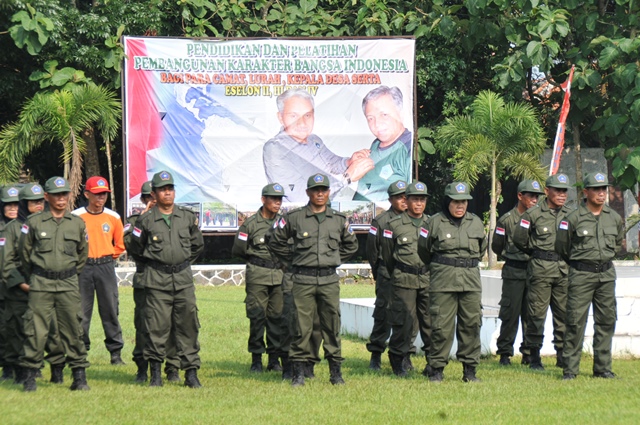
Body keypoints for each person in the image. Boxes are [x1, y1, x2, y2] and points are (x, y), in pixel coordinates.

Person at [267, 173, 358, 386]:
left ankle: (336, 373)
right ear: (308, 192)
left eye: (323, 190)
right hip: (303, 280)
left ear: (328, 192)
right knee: (300, 326)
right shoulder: (294, 218)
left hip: (328, 280)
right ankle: (298, 373)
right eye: (316, 190)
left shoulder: (338, 220)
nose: (320, 193)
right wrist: (293, 260)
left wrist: (333, 259)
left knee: (331, 325)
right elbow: (275, 240)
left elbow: (351, 245)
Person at [126, 170, 205, 388]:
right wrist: (157, 262)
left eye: (170, 188)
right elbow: (135, 247)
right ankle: (156, 375)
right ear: (154, 193)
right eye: (162, 189)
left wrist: (180, 261)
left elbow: (197, 245)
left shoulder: (187, 217)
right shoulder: (145, 220)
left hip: (182, 280)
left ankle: (190, 373)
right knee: (156, 327)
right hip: (156, 280)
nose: (167, 193)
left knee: (188, 326)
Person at [19, 176, 90, 392]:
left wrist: (67, 273)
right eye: (56, 194)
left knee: (73, 329)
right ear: (47, 197)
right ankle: (30, 375)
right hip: (41, 283)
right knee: (35, 330)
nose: (61, 198)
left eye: (65, 194)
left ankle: (79, 376)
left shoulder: (77, 223)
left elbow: (82, 255)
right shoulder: (33, 223)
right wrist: (39, 274)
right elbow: (24, 254)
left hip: (68, 283)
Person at [555, 172, 624, 379]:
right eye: (596, 189)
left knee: (606, 321)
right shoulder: (573, 218)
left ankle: (602, 368)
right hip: (581, 275)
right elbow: (562, 247)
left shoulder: (613, 217)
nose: (601, 193)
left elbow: (618, 242)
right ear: (586, 192)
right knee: (575, 322)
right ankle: (570, 369)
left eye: (604, 189)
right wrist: (580, 264)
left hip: (606, 274)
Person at [418, 182, 487, 382]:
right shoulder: (434, 222)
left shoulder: (475, 222)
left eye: (464, 201)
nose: (460, 205)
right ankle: (436, 369)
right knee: (441, 326)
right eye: (456, 202)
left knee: (472, 324)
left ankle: (470, 371)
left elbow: (481, 249)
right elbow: (424, 250)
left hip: (470, 280)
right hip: (443, 279)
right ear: (447, 202)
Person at [262, 88, 374, 202]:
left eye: (307, 115)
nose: (302, 123)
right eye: (294, 116)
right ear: (280, 117)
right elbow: (301, 198)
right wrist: (347, 177)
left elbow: (331, 162)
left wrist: (349, 162)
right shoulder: (274, 149)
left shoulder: (314, 140)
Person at [513, 173, 574, 370]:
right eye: (558, 190)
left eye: (564, 191)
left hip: (563, 270)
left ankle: (562, 355)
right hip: (540, 270)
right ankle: (533, 355)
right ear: (547, 191)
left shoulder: (572, 215)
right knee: (536, 314)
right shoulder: (532, 214)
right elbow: (520, 240)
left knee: (563, 314)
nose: (562, 194)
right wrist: (537, 253)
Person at [125, 181, 182, 383]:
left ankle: (173, 367)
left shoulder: (174, 218)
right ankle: (142, 366)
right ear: (144, 199)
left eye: (155, 197)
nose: (153, 201)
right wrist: (143, 218)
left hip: (167, 278)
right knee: (144, 324)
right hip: (144, 279)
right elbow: (130, 246)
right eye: (149, 198)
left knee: (172, 324)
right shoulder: (135, 221)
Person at [231, 183, 285, 373]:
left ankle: (274, 359)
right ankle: (256, 359)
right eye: (273, 199)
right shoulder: (250, 224)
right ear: (263, 199)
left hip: (279, 276)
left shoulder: (284, 223)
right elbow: (239, 249)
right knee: (256, 317)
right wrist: (257, 262)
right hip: (257, 276)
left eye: (279, 199)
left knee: (276, 318)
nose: (277, 203)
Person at [72, 176, 125, 365]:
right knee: (81, 312)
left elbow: (120, 244)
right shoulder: (76, 217)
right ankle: (80, 352)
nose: (100, 198)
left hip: (105, 266)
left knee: (110, 309)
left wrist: (109, 257)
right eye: (96, 194)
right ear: (87, 194)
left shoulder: (113, 217)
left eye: (104, 194)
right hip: (83, 268)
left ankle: (115, 353)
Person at [380, 181, 431, 377]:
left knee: (430, 322)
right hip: (403, 279)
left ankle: (432, 363)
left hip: (427, 278)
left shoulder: (432, 223)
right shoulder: (392, 225)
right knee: (403, 322)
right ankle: (398, 361)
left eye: (422, 199)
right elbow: (387, 255)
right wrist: (400, 271)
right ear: (406, 201)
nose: (419, 203)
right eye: (415, 199)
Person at [491, 179, 544, 366]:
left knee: (532, 313)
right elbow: (497, 245)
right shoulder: (506, 220)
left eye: (537, 196)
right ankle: (505, 353)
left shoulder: (540, 218)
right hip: (514, 271)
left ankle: (529, 353)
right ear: (520, 196)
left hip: (534, 271)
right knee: (510, 313)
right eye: (530, 195)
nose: (534, 200)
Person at [365, 180, 408, 371]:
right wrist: (379, 272)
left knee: (407, 315)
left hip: (409, 274)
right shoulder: (380, 222)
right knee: (383, 314)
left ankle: (405, 355)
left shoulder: (417, 219)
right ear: (391, 199)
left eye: (406, 196)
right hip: (387, 274)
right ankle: (376, 354)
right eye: (399, 197)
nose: (404, 200)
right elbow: (372, 251)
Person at [354, 86, 412, 202]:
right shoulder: (375, 145)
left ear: (400, 113)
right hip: (358, 215)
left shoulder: (410, 147)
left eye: (384, 115)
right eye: (370, 118)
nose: (377, 123)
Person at [0, 185, 20, 380]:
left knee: (14, 327)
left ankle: (15, 365)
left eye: (15, 204)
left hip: (14, 287)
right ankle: (6, 365)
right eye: (8, 205)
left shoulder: (22, 228)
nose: (12, 208)